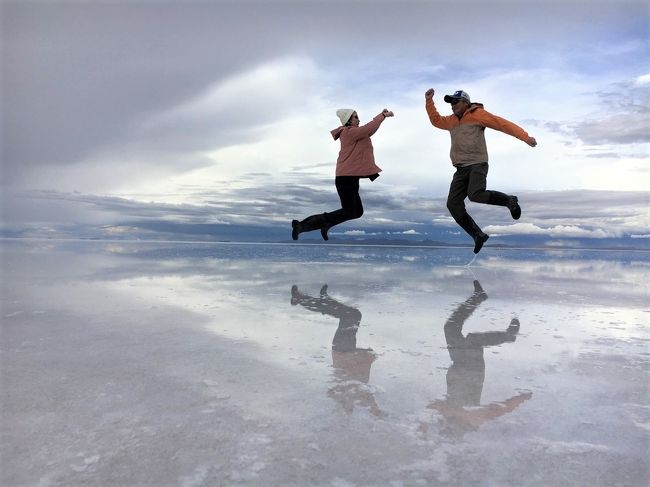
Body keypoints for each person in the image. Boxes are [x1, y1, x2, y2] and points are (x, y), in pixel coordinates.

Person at [424, 88, 537, 253]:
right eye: (451, 103)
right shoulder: (451, 121)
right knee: (453, 204)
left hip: (478, 163)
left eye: (456, 102)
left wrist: (525, 137)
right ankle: (478, 235)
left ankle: (509, 201)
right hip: (461, 168)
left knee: (475, 194)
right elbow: (435, 120)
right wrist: (429, 101)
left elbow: (502, 124)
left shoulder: (478, 115)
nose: (453, 105)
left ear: (465, 102)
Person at [291, 107, 394, 241]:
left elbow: (371, 130)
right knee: (351, 210)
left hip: (350, 178)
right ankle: (302, 225)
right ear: (348, 120)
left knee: (357, 211)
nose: (358, 119)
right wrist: (382, 116)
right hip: (345, 178)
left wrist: (381, 117)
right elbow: (368, 128)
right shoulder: (349, 132)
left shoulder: (355, 132)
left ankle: (327, 223)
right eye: (355, 117)